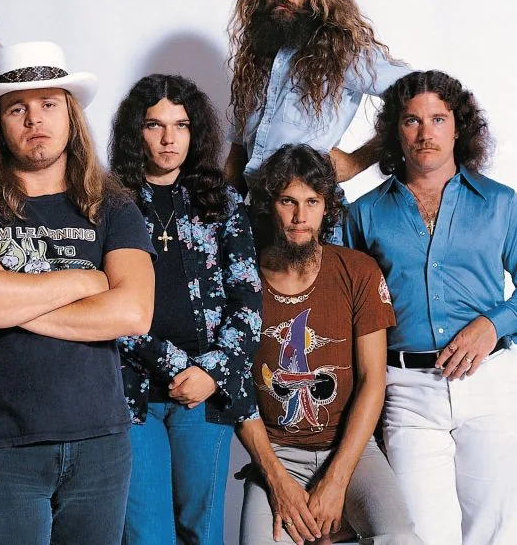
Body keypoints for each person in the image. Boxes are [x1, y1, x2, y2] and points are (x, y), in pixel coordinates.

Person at [0, 41, 155, 544]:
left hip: (100, 440)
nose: (35, 119)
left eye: (49, 104)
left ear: (70, 115)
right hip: (1, 445)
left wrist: (8, 299)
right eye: (17, 108)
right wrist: (85, 282)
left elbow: (134, 312)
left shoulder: (112, 206)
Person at [345, 70, 517, 544]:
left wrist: (493, 323)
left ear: (458, 127)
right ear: (395, 131)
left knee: (497, 531)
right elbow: (345, 306)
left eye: (438, 119)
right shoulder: (363, 214)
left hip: (490, 383)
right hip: (406, 391)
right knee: (421, 533)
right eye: (412, 121)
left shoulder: (501, 204)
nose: (426, 133)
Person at [237, 144, 420, 545]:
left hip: (352, 449)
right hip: (277, 454)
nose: (300, 217)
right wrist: (276, 480)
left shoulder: (357, 271)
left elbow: (374, 379)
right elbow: (236, 390)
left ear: (327, 207)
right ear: (271, 205)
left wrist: (337, 480)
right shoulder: (242, 277)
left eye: (312, 201)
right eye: (288, 201)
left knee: (400, 537)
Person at [109, 74, 262, 544]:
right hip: (133, 391)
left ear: (196, 133)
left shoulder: (223, 203)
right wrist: (174, 364)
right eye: (155, 125)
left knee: (202, 530)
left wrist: (212, 371)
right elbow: (101, 301)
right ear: (137, 132)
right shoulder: (109, 203)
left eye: (181, 125)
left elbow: (249, 300)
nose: (169, 138)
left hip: (205, 391)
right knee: (147, 534)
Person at [225, 0, 410, 201]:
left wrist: (357, 161)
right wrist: (223, 214)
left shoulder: (343, 50)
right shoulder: (256, 54)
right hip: (257, 211)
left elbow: (418, 94)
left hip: (313, 212)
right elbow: (238, 152)